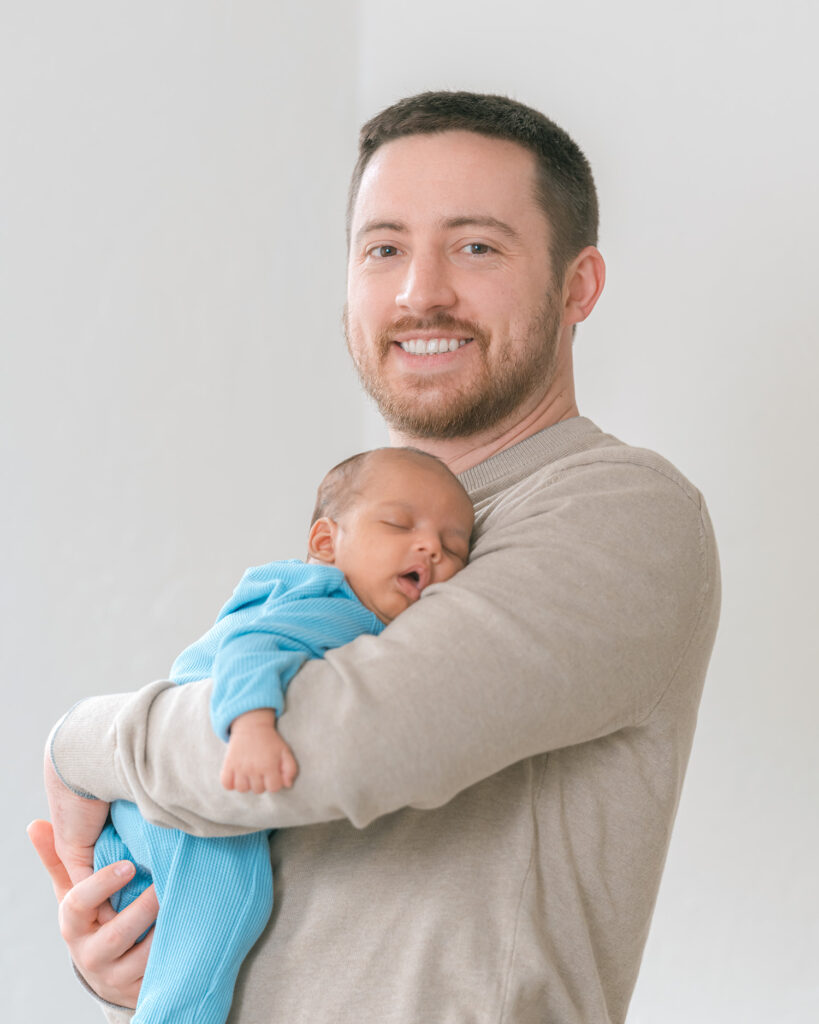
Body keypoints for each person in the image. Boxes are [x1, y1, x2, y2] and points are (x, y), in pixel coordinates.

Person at [30, 91, 721, 1024]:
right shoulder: (361, 545)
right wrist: (142, 947)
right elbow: (260, 841)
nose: (417, 291)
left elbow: (328, 747)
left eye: (475, 246)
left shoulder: (619, 513)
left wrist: (82, 744)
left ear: (578, 286)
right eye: (383, 248)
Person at [68, 446, 475, 1024]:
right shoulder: (335, 603)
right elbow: (249, 649)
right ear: (326, 545)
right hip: (180, 794)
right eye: (399, 524)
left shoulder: (323, 599)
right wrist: (253, 726)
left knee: (171, 930)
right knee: (232, 901)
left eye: (454, 546)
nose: (431, 546)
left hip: (140, 800)